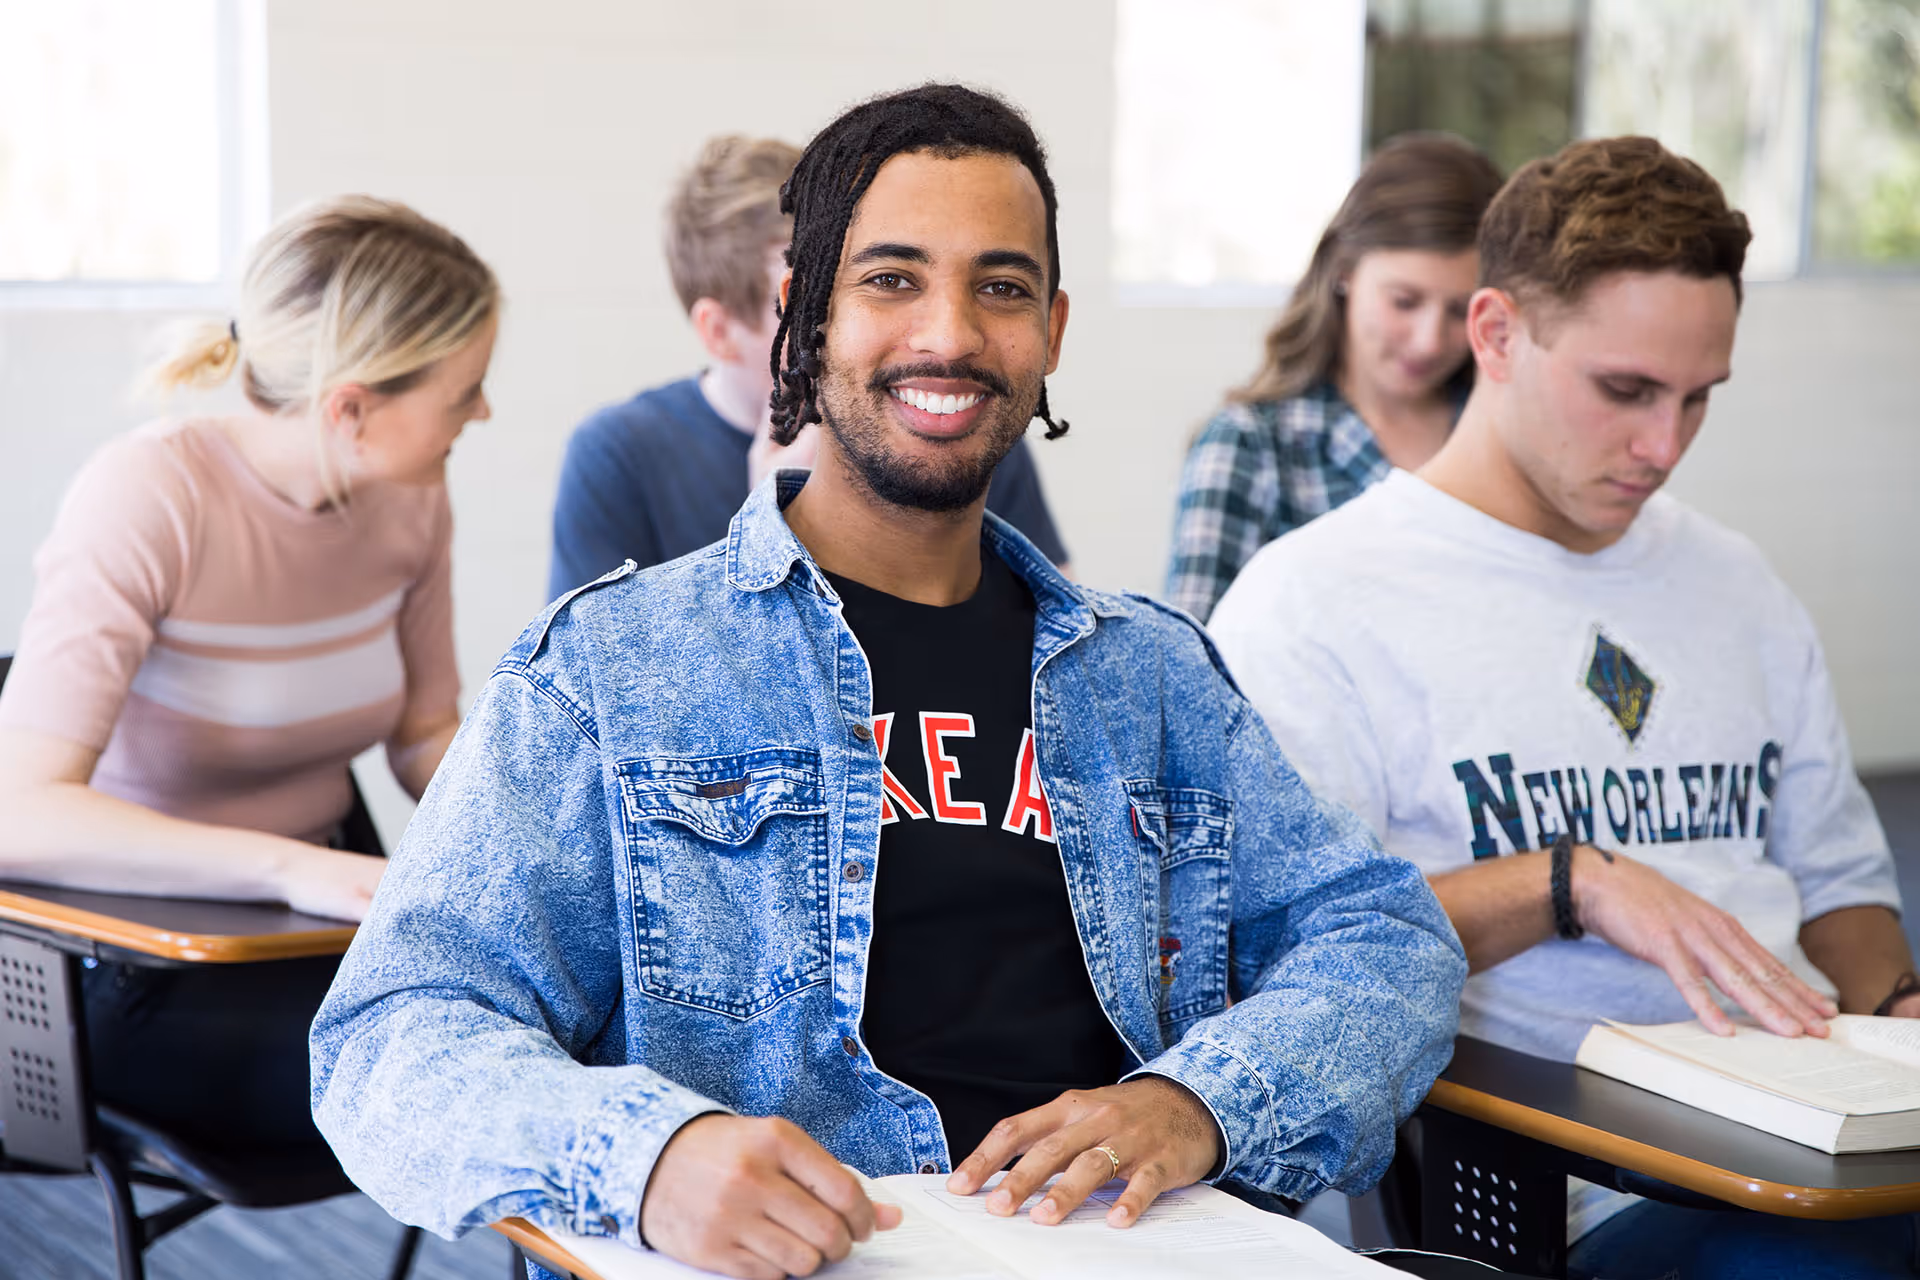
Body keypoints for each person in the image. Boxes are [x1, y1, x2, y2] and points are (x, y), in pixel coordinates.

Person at [312, 85, 1472, 1280]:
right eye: (893, 278)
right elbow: (392, 1034)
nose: (953, 334)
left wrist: (1200, 1102)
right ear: (799, 315)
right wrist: (648, 1155)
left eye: (1003, 286)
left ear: (1055, 330)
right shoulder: (610, 670)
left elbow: (1385, 934)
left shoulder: (1155, 674)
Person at [1208, 136, 1916, 1278]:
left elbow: (1840, 889)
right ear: (1494, 333)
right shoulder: (1316, 600)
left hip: (1822, 1139)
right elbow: (1287, 953)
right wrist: (1568, 882)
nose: (1663, 445)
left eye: (1699, 398)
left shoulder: (1739, 583)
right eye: (1625, 390)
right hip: (1580, 1178)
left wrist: (1898, 999)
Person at [0, 195, 499, 1145]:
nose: (482, 409)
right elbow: (16, 812)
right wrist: (295, 871)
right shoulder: (150, 493)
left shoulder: (408, 496)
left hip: (324, 936)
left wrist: (552, 819)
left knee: (602, 1025)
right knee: (469, 1086)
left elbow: (426, 735)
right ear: (351, 409)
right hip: (140, 966)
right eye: (461, 389)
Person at [546, 133, 1071, 600]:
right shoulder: (619, 454)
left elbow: (1058, 617)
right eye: (884, 282)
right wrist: (772, 534)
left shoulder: (948, 420)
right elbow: (614, 680)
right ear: (719, 331)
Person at [1165, 133, 1501, 622]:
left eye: (1460, 310)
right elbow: (1187, 673)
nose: (1429, 340)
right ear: (1344, 271)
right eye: (1404, 302)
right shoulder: (1250, 447)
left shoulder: (1502, 436)